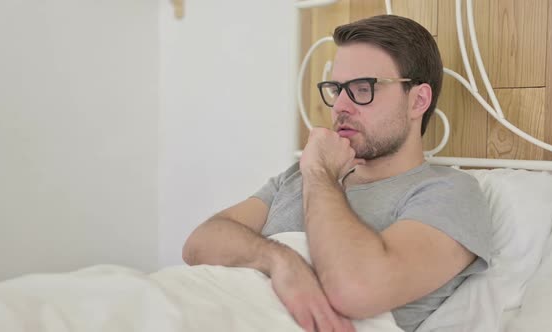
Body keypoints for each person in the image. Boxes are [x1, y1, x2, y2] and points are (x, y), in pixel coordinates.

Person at [183, 14, 491, 332]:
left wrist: (319, 173)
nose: (341, 106)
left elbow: (356, 289)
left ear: (418, 101)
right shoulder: (299, 175)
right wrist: (280, 261)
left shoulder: (447, 191)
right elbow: (199, 243)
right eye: (336, 89)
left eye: (362, 88)